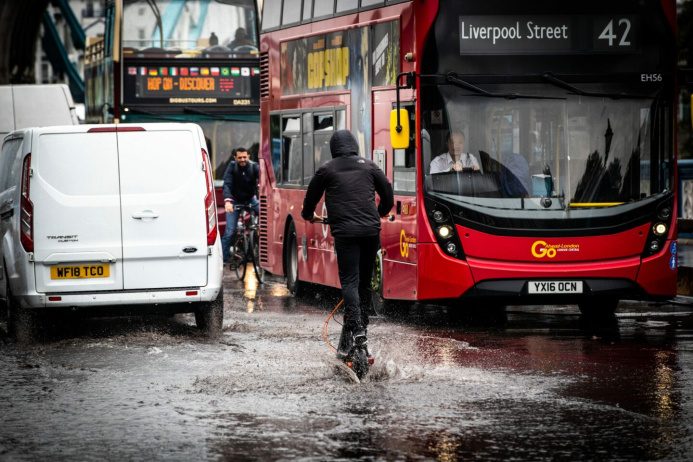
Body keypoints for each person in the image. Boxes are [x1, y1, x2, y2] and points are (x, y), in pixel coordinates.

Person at [302, 130, 394, 358]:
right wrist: (379, 213)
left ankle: (358, 331)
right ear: (354, 146)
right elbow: (388, 195)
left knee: (350, 282)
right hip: (371, 231)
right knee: (364, 283)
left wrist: (309, 215)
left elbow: (309, 201)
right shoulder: (370, 166)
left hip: (345, 233)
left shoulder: (326, 169)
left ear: (334, 148)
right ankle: (362, 331)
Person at [221, 147, 260, 267]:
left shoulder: (254, 167)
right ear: (235, 158)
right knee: (230, 232)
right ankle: (222, 261)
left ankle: (265, 257)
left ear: (248, 156)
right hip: (234, 201)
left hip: (250, 199)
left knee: (266, 219)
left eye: (244, 157)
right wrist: (227, 202)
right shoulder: (232, 167)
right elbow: (227, 184)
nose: (242, 160)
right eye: (240, 158)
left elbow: (263, 181)